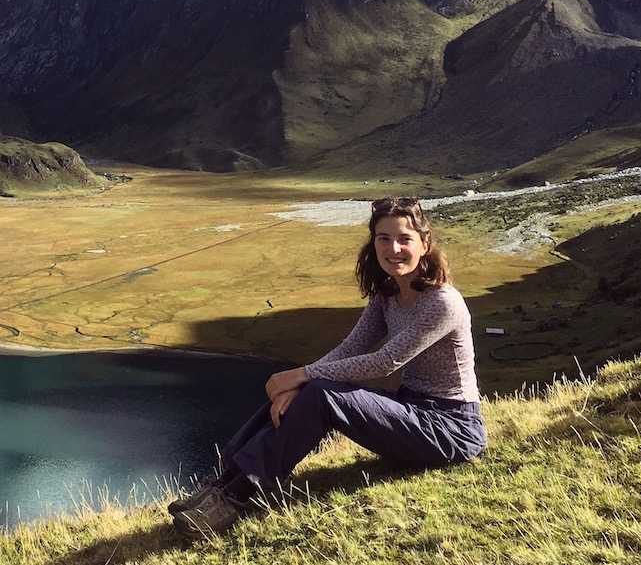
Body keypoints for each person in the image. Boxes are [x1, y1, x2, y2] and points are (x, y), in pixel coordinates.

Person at [170, 195, 487, 541]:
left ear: (424, 244)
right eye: (384, 238)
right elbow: (351, 348)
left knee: (320, 391)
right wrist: (296, 384)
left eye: (404, 239)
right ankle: (219, 484)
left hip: (452, 429)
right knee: (308, 390)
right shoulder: (387, 295)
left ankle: (235, 499)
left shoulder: (442, 302)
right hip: (414, 409)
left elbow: (385, 361)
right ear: (373, 242)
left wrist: (300, 375)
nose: (393, 248)